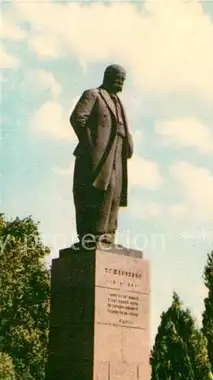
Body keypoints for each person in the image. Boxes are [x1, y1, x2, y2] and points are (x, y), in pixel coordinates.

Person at [70, 64, 134, 246]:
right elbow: (77, 118)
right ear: (108, 76)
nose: (121, 82)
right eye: (118, 77)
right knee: (97, 193)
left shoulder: (118, 102)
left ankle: (108, 235)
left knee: (114, 192)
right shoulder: (93, 94)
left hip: (117, 153)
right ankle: (93, 236)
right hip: (98, 156)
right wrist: (92, 146)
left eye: (123, 79)